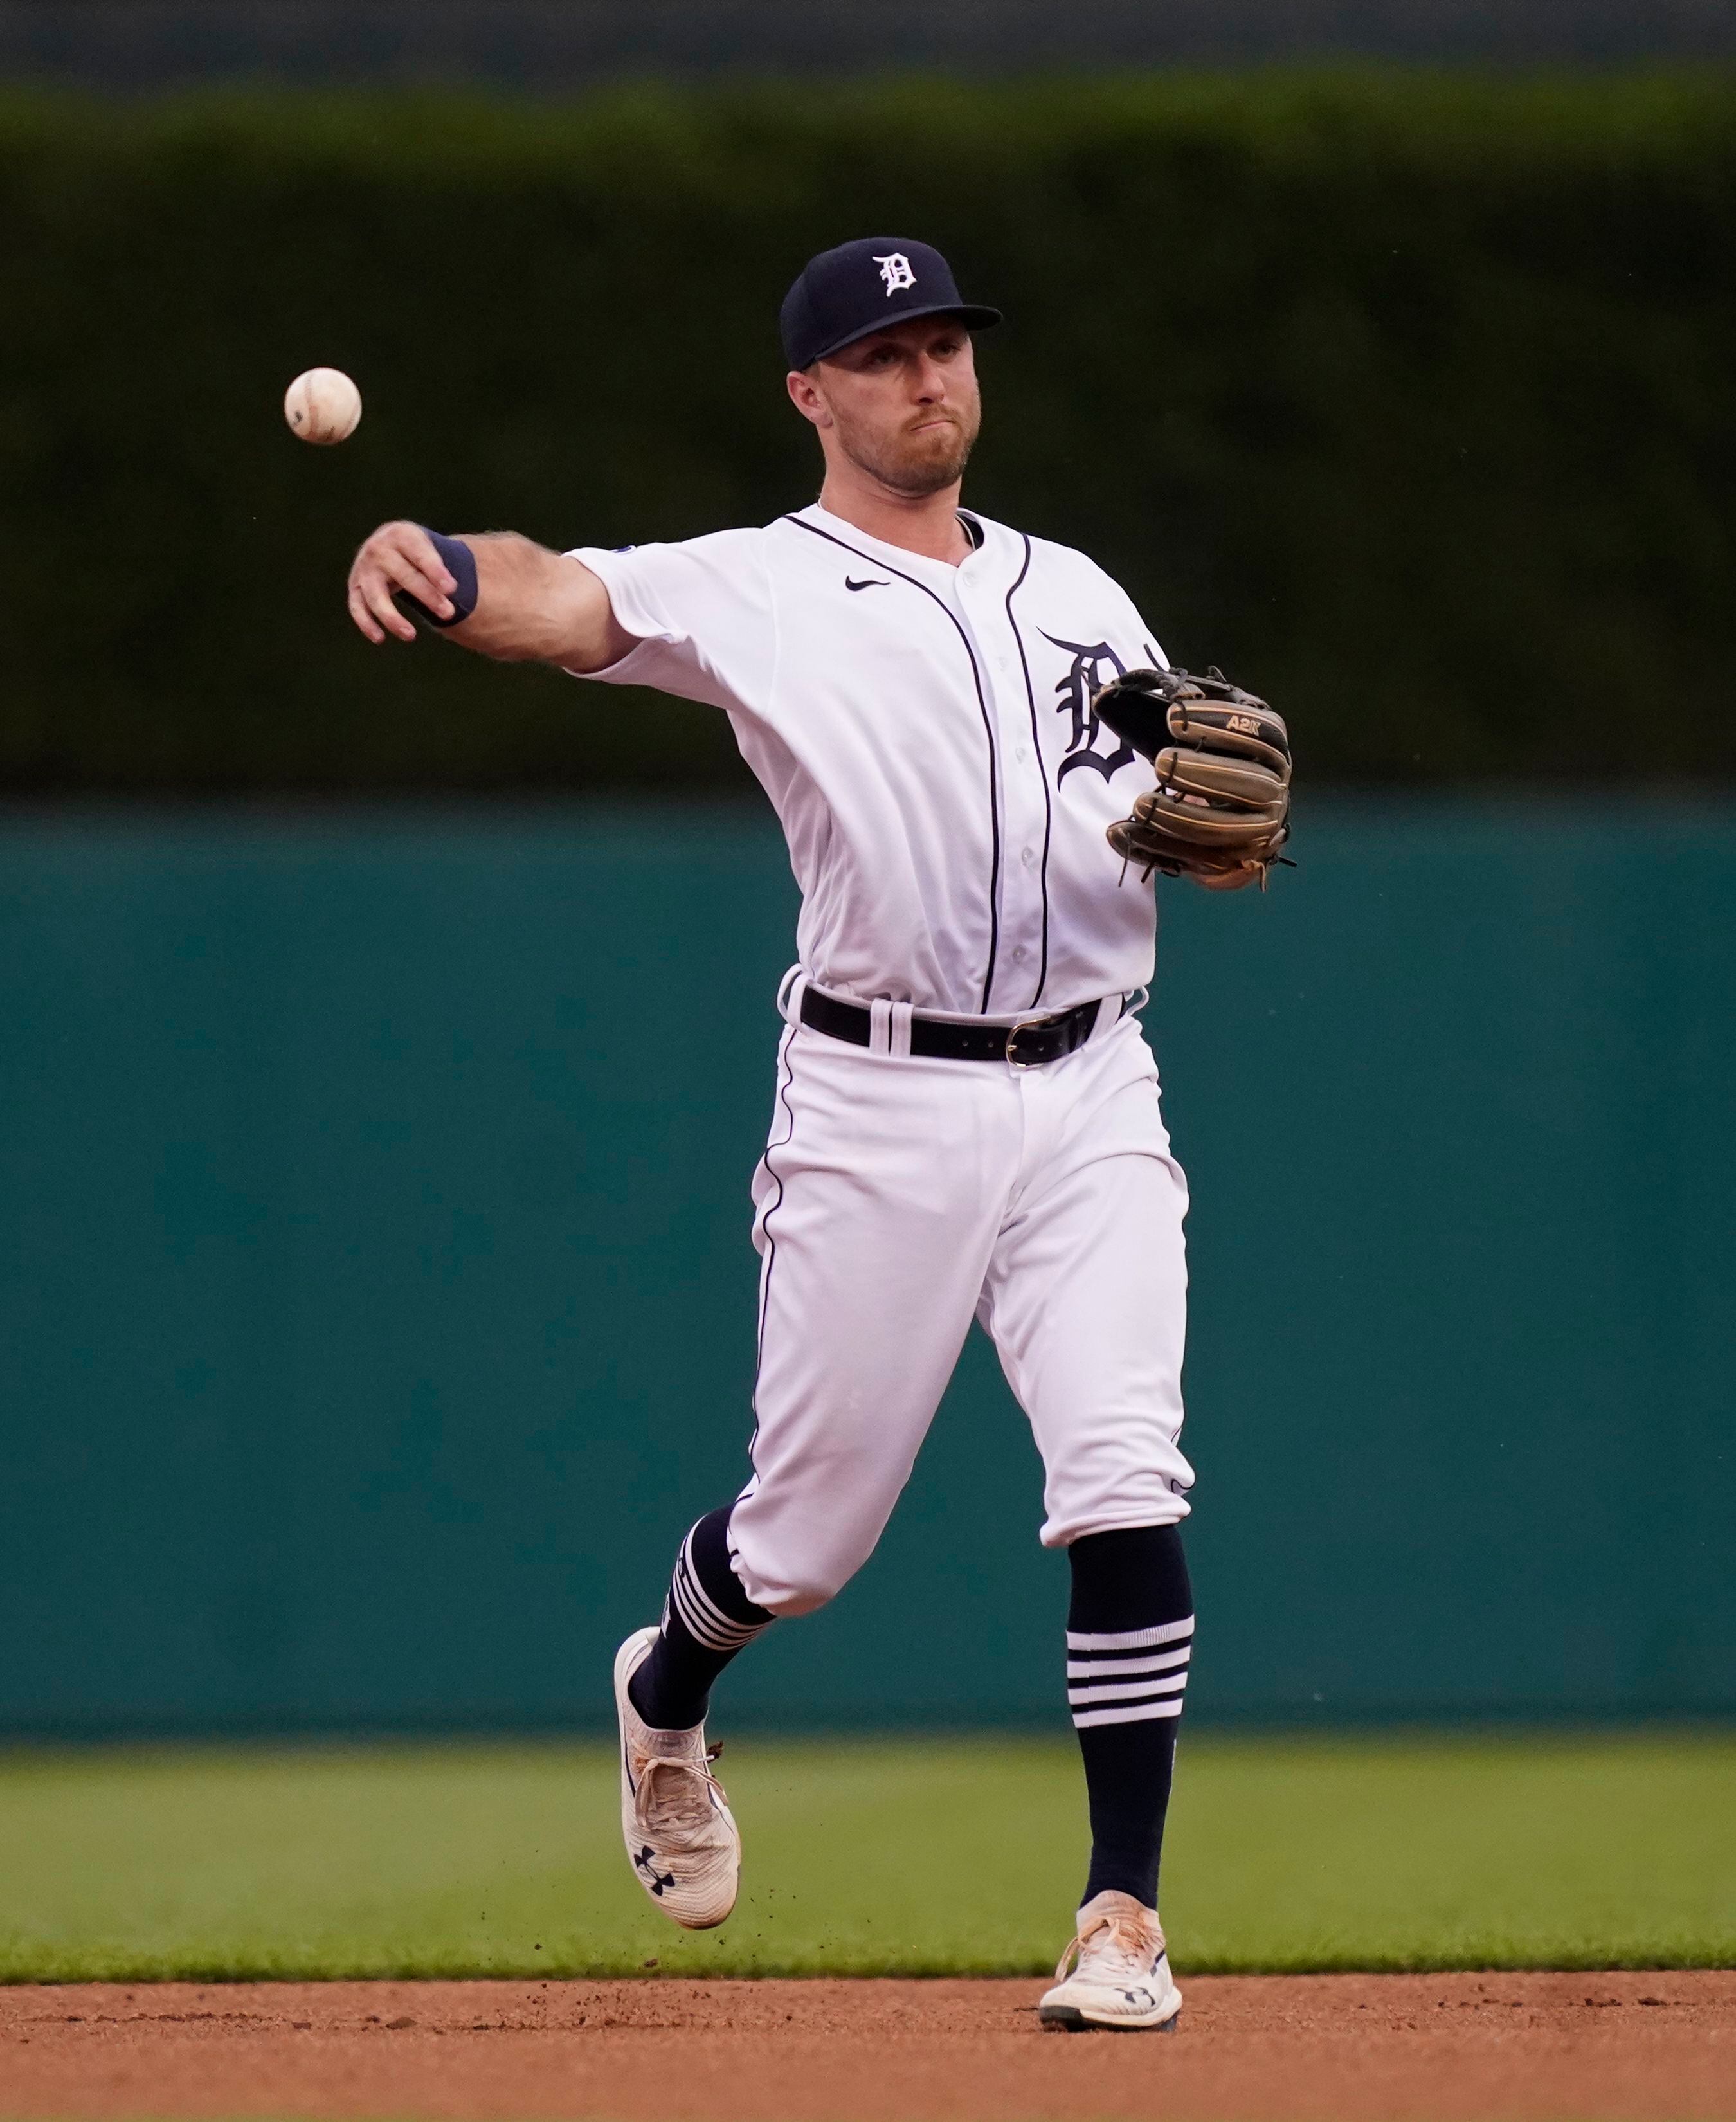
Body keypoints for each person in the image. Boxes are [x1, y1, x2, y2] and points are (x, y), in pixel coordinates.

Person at [347, 236, 1266, 2034]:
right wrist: (442, 566)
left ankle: (1121, 1916)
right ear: (810, 393)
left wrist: (1197, 835)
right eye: (885, 353)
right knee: (804, 1542)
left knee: (1121, 1466)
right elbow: (567, 598)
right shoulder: (761, 586)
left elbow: (1168, 796)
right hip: (879, 1097)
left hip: (1091, 1082)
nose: (929, 377)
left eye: (946, 346)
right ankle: (668, 1685)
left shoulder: (1082, 592)